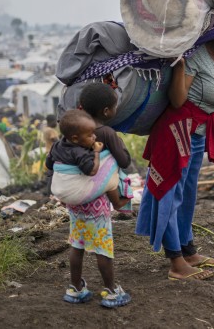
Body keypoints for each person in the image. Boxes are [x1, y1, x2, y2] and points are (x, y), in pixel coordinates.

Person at [136, 8, 214, 281]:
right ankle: (175, 261)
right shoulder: (195, 57)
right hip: (177, 132)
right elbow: (177, 100)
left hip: (197, 133)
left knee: (187, 195)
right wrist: (181, 68)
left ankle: (188, 250)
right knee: (170, 194)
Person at [46, 109, 131, 307]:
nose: (94, 137)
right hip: (95, 206)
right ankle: (111, 292)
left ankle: (75, 288)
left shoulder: (58, 145)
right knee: (102, 248)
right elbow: (92, 171)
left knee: (77, 245)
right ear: (75, 138)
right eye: (90, 135)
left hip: (75, 207)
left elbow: (49, 164)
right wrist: (96, 152)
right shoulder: (81, 152)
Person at [77, 82, 134, 210]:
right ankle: (117, 202)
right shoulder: (107, 133)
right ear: (106, 111)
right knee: (100, 229)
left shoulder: (75, 131)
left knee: (79, 229)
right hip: (98, 198)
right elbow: (124, 162)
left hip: (77, 195)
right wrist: (120, 143)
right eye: (115, 106)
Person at [42, 114, 60, 195]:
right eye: (55, 121)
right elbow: (55, 141)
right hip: (53, 154)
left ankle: (49, 193)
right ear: (51, 121)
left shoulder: (45, 129)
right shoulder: (51, 131)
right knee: (53, 174)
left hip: (48, 153)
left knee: (50, 174)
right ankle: (50, 194)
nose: (56, 123)